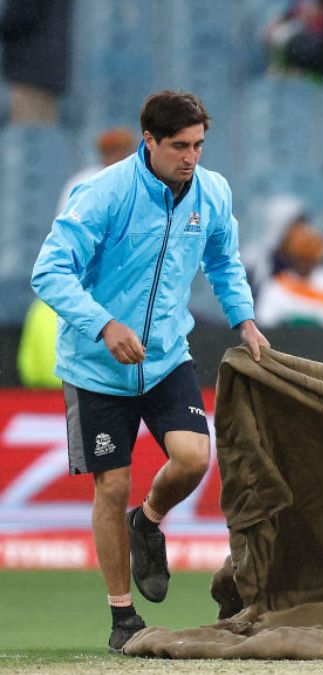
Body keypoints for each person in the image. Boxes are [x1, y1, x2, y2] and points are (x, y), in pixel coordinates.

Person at [30, 90, 270, 654]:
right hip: (95, 368)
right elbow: (49, 269)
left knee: (193, 458)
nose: (192, 157)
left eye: (199, 145)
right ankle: (122, 618)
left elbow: (223, 259)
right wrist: (103, 324)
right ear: (151, 141)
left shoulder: (212, 192)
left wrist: (245, 320)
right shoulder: (105, 193)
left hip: (165, 358)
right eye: (180, 146)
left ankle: (150, 519)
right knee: (111, 484)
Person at [255, 221, 323, 327]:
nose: (305, 264)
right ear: (291, 256)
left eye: (310, 259)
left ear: (319, 257)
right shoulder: (275, 285)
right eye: (301, 258)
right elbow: (265, 324)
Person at [0, 0, 71, 124]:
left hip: (28, 74)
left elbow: (20, 16)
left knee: (28, 130)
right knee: (46, 131)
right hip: (52, 72)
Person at [58, 127, 137, 212]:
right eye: (112, 150)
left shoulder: (138, 180)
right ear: (104, 153)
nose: (118, 156)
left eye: (123, 150)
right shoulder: (84, 181)